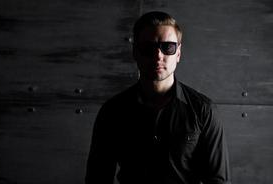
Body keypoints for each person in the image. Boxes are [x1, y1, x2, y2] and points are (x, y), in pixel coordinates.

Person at [85, 11, 231, 184]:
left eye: (167, 47)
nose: (158, 56)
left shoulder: (204, 110)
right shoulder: (113, 111)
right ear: (135, 52)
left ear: (178, 53)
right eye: (148, 48)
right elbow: (97, 178)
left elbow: (218, 180)